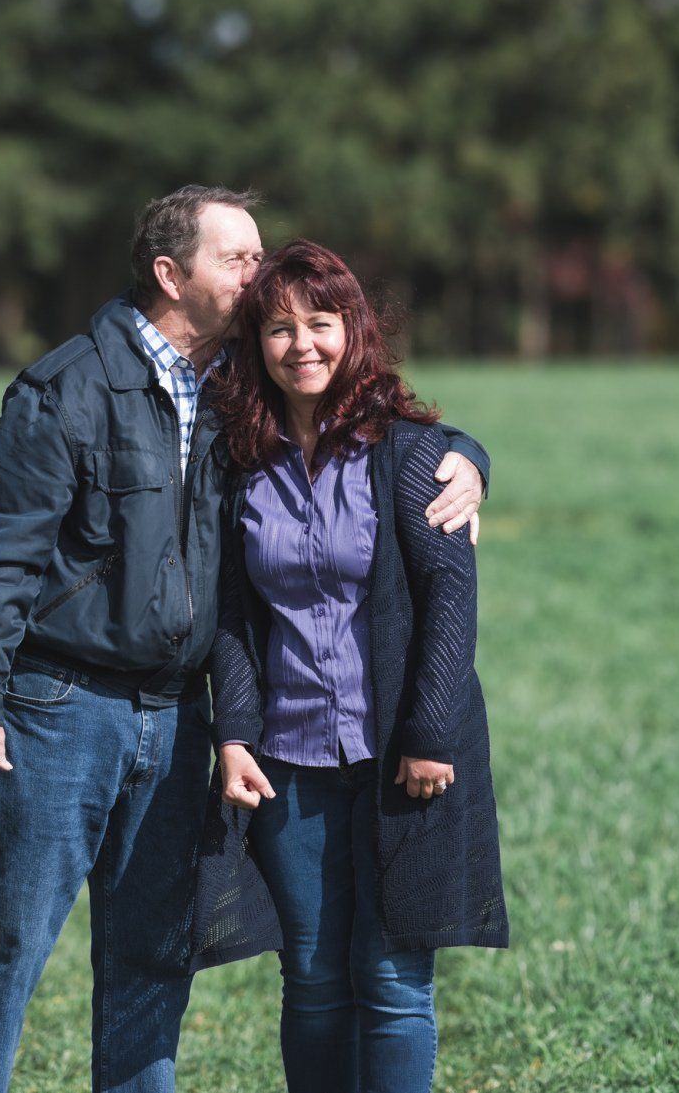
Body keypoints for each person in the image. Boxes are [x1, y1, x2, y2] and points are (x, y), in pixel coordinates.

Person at [0, 187, 492, 1093]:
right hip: (61, 709)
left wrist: (468, 454)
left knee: (155, 957)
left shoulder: (235, 393)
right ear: (169, 273)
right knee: (10, 946)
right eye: (237, 258)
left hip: (179, 717)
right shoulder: (67, 387)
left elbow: (362, 405)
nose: (256, 273)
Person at [195, 241, 509, 1093]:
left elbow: (452, 600)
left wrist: (429, 734)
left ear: (354, 330)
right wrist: (233, 734)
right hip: (285, 763)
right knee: (314, 979)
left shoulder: (409, 454)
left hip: (403, 761)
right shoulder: (238, 460)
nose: (302, 344)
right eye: (279, 328)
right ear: (255, 343)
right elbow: (231, 614)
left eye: (321, 323)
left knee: (395, 981)